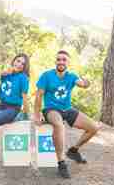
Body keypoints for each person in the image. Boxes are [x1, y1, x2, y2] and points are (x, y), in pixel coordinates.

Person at [34, 50, 98, 179]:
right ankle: (61, 162)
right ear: (55, 61)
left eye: (64, 60)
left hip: (67, 109)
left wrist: (86, 83)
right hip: (51, 109)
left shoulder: (72, 76)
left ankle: (73, 150)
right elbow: (39, 95)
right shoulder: (46, 75)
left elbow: (82, 83)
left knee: (93, 128)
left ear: (67, 62)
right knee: (59, 125)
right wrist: (37, 114)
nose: (61, 62)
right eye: (59, 59)